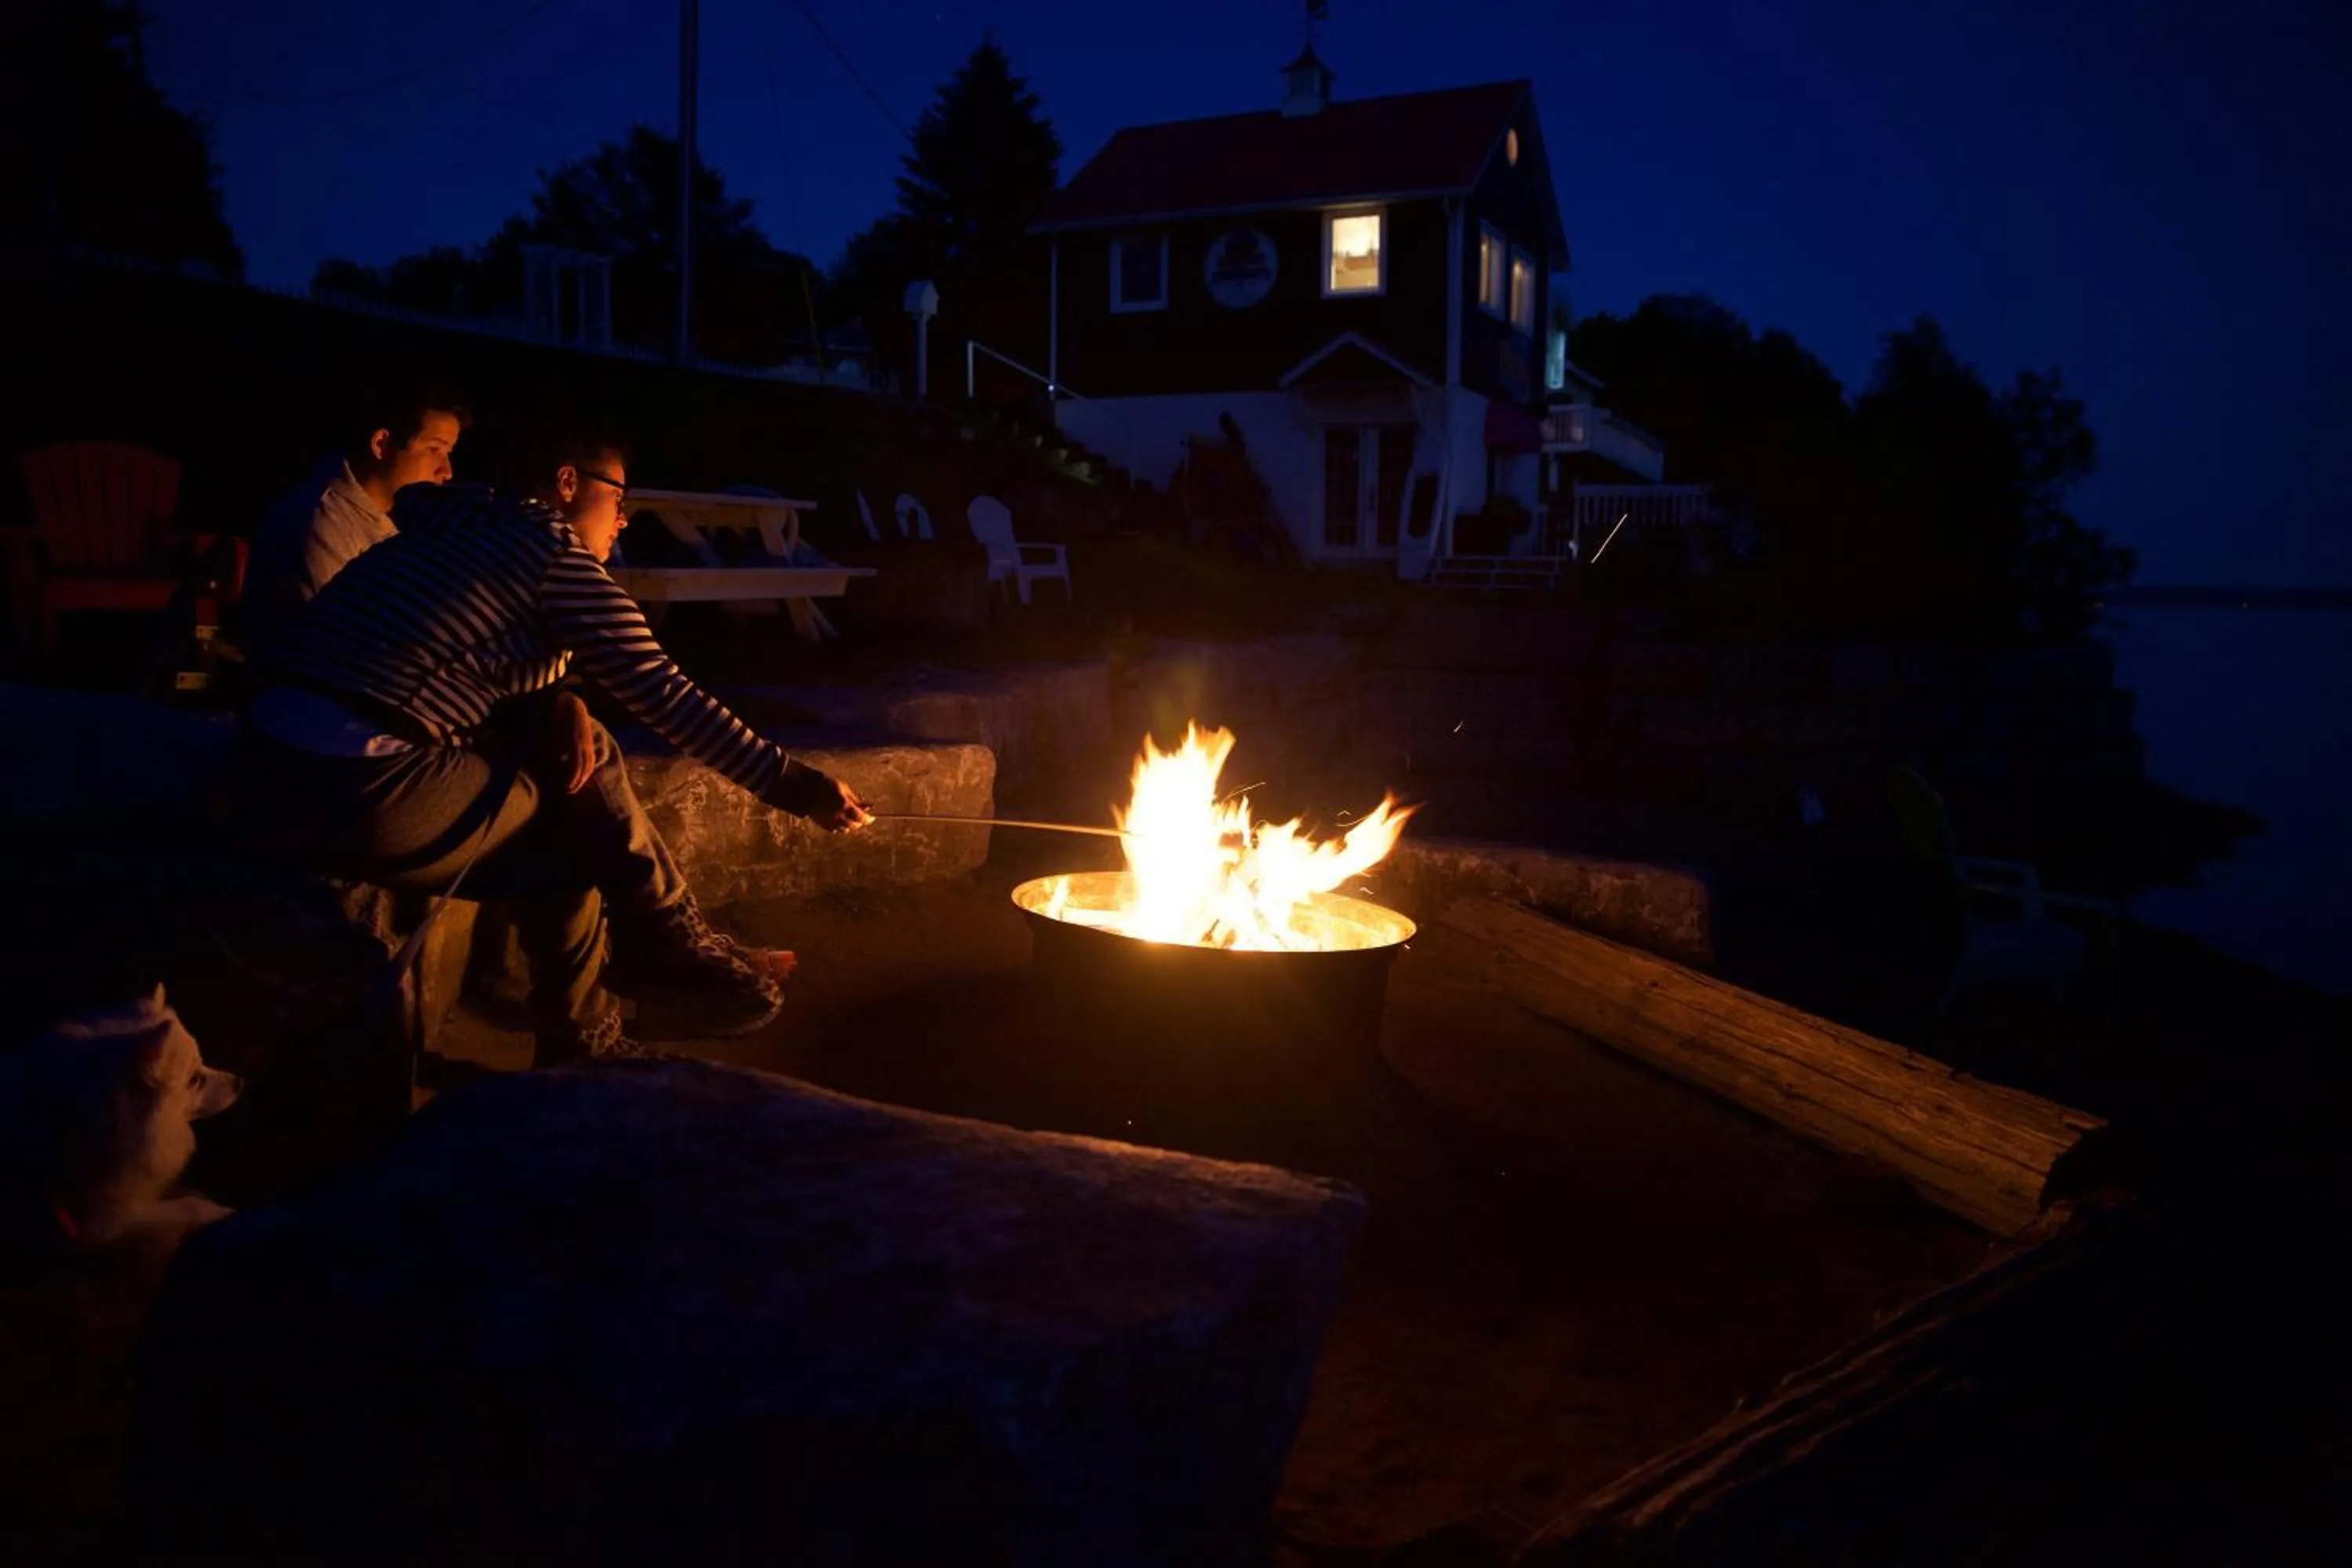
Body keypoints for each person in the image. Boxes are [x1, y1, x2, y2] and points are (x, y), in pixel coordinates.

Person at [228, 433, 869, 1065]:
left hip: (259, 765)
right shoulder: (552, 554)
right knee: (575, 818)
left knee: (572, 765)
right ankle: (633, 978)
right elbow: (664, 694)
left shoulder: (443, 532)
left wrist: (555, 698)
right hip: (359, 786)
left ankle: (656, 947)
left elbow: (447, 659)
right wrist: (797, 785)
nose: (625, 516)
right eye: (618, 496)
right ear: (567, 485)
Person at [244, 382, 469, 672]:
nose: (447, 471)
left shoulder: (388, 524)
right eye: (435, 449)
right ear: (382, 444)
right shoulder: (323, 524)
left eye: (449, 452)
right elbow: (340, 648)